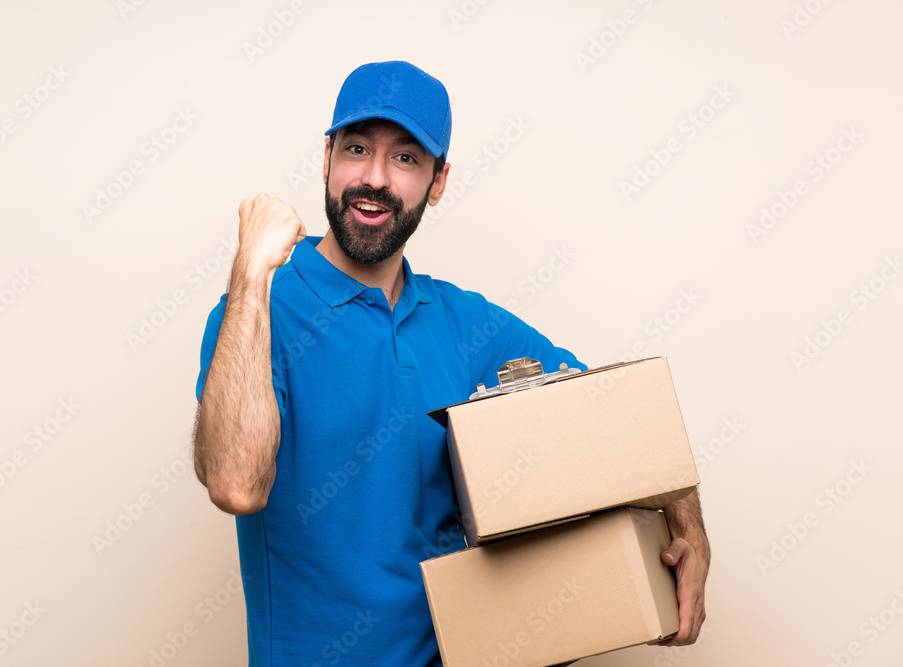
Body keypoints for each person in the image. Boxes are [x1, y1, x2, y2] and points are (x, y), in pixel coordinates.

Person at [192, 60, 709, 666]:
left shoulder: (465, 323)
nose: (376, 178)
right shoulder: (255, 312)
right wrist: (252, 270)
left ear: (438, 182)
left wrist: (687, 522)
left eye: (407, 159)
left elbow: (617, 417)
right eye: (357, 149)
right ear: (327, 158)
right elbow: (234, 485)